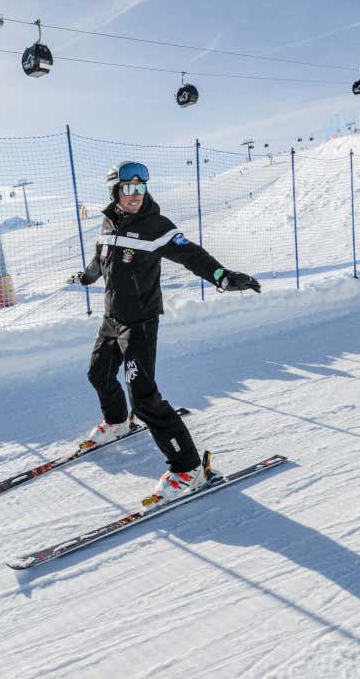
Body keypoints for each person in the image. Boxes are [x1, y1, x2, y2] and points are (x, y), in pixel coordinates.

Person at [70, 160, 261, 506]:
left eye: (140, 188)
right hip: (112, 318)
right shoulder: (108, 222)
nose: (135, 195)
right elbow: (101, 258)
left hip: (140, 324)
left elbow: (191, 255)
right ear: (115, 192)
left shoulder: (156, 226)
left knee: (144, 398)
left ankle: (188, 469)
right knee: (97, 373)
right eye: (128, 188)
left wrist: (222, 277)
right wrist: (87, 277)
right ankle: (116, 422)